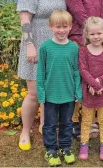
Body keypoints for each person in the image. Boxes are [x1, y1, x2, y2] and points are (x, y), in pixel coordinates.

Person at [17, 0, 66, 151]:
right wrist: (30, 44)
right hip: (35, 45)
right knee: (34, 93)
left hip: (56, 47)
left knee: (51, 91)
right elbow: (25, 20)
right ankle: (25, 130)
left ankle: (46, 126)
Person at [66, 0, 103, 139]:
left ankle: (94, 119)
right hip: (79, 40)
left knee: (97, 77)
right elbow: (81, 16)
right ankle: (75, 120)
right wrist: (92, 35)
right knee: (80, 79)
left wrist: (101, 38)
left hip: (97, 41)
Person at [36, 10, 82, 166]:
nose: (62, 30)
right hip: (50, 94)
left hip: (68, 94)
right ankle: (51, 149)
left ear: (70, 27)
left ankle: (65, 147)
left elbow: (76, 70)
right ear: (51, 27)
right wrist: (41, 93)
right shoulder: (45, 47)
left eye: (65, 26)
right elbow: (41, 71)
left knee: (67, 123)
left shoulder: (73, 47)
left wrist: (78, 90)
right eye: (58, 27)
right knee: (49, 124)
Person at [78, 17, 103, 161]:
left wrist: (98, 83)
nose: (96, 37)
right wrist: (92, 84)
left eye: (99, 33)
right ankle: (84, 144)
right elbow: (83, 70)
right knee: (86, 120)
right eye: (92, 34)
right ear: (86, 35)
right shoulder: (83, 51)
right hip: (88, 92)